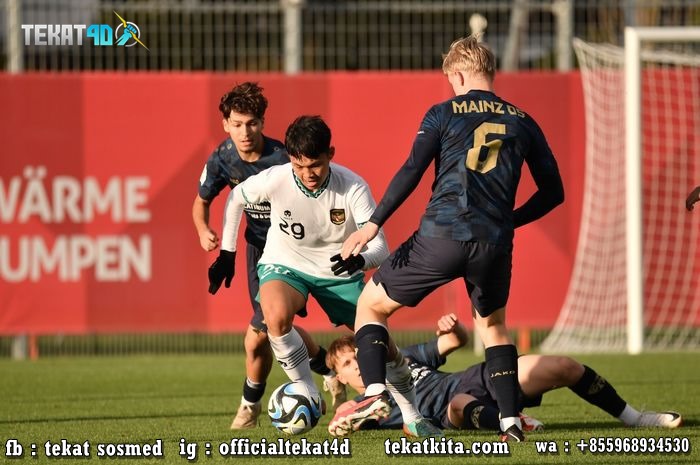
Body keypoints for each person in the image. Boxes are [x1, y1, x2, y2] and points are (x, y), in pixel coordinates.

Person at [336, 35, 565, 442]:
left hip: (442, 235)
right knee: (494, 327)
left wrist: (372, 224)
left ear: (457, 74)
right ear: (490, 73)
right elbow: (554, 192)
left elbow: (412, 169)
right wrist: (510, 221)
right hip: (494, 243)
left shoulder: (444, 112)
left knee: (371, 306)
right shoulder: (523, 120)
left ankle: (373, 393)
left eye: (451, 80)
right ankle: (510, 421)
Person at [216, 115, 390, 420]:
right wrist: (227, 253)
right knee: (275, 319)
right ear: (289, 159)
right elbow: (234, 199)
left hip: (339, 271)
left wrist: (360, 260)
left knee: (381, 345)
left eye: (315, 165)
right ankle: (307, 392)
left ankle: (410, 407)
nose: (307, 174)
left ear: (330, 155)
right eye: (299, 166)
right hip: (286, 263)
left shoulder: (352, 187)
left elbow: (381, 247)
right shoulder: (275, 178)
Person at [194, 83, 344, 429]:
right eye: (237, 124)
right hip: (256, 251)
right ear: (225, 125)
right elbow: (201, 202)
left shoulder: (283, 157)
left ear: (262, 122)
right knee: (273, 327)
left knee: (259, 332)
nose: (245, 132)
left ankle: (250, 405)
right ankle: (327, 370)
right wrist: (204, 230)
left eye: (252, 123)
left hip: (291, 250)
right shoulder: (221, 158)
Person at [327, 314, 682, 435]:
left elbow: (454, 342)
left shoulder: (400, 359)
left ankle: (634, 419)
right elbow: (340, 422)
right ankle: (513, 422)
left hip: (471, 377)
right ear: (339, 377)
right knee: (459, 404)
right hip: (450, 411)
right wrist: (339, 405)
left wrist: (451, 327)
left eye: (358, 355)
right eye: (346, 364)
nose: (357, 363)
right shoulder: (362, 408)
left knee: (565, 367)